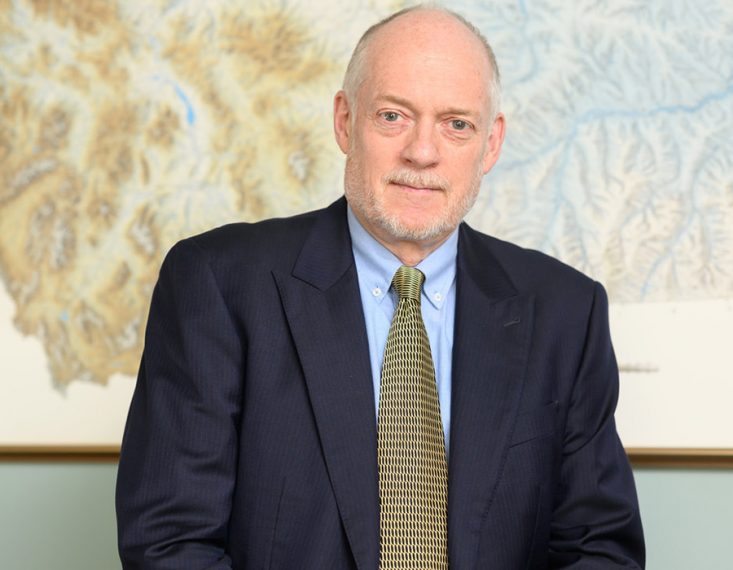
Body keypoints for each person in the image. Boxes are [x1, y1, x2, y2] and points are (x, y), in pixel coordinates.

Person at [116, 6, 645, 569]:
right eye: (393, 116)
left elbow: (599, 548)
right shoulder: (219, 284)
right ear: (345, 121)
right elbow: (170, 544)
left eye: (456, 124)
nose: (422, 152)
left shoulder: (566, 312)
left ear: (491, 144)